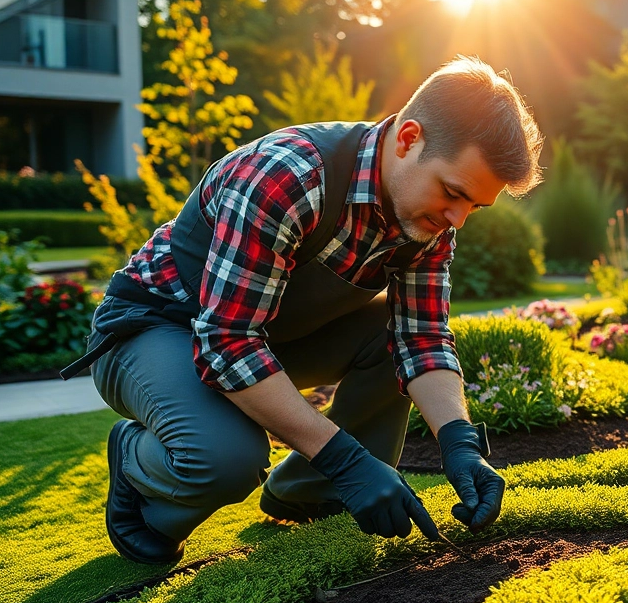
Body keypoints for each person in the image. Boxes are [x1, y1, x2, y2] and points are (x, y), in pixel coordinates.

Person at [63, 57, 542, 565]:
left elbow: (421, 337)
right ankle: (137, 467)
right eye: (453, 193)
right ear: (408, 139)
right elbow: (227, 343)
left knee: (391, 334)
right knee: (225, 459)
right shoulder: (289, 175)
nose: (457, 220)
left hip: (264, 336)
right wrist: (347, 460)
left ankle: (308, 492)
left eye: (475, 207)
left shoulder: (427, 220)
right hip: (158, 328)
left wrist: (459, 441)